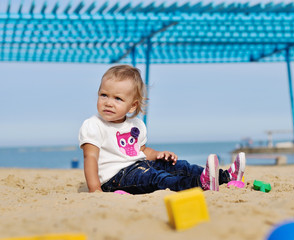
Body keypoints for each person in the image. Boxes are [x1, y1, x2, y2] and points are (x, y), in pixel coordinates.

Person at [78, 65, 246, 194]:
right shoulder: (93, 124)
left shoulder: (136, 125)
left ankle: (225, 176)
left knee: (178, 166)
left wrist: (158, 154)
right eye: (104, 95)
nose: (108, 102)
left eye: (118, 98)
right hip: (115, 179)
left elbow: (141, 151)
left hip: (139, 165)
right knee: (156, 178)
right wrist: (95, 190)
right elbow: (90, 157)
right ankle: (200, 183)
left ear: (132, 106)